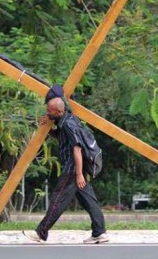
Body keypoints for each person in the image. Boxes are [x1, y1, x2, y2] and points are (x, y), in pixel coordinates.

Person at [22, 97, 108, 244]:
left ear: (59, 111)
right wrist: (48, 130)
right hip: (75, 169)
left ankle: (41, 233)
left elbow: (77, 148)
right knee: (88, 200)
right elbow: (61, 137)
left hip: (72, 170)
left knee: (58, 199)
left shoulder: (68, 124)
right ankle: (99, 233)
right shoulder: (65, 121)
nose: (47, 112)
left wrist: (79, 174)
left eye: (50, 111)